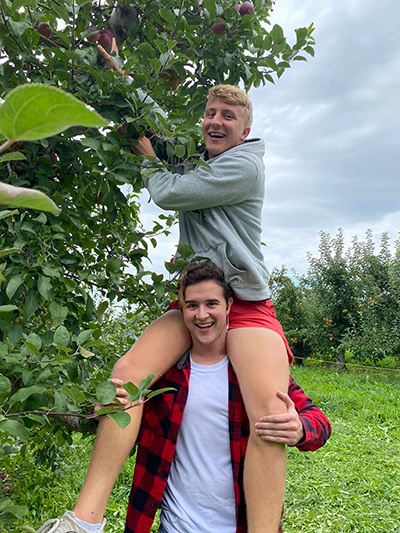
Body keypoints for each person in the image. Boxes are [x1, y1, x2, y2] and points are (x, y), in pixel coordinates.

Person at [36, 43, 291, 532]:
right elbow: (163, 129)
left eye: (228, 116)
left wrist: (151, 161)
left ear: (246, 130)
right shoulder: (208, 160)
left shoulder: (243, 166)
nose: (216, 121)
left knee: (269, 420)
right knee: (127, 375)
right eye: (210, 113)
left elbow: (169, 191)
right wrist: (121, 73)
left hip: (245, 305)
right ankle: (84, 522)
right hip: (199, 299)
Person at [37, 263, 331, 533]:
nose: (202, 315)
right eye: (192, 306)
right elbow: (125, 420)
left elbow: (319, 421)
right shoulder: (166, 374)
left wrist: (302, 428)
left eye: (211, 304)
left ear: (229, 305)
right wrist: (102, 407)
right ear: (181, 309)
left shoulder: (253, 374)